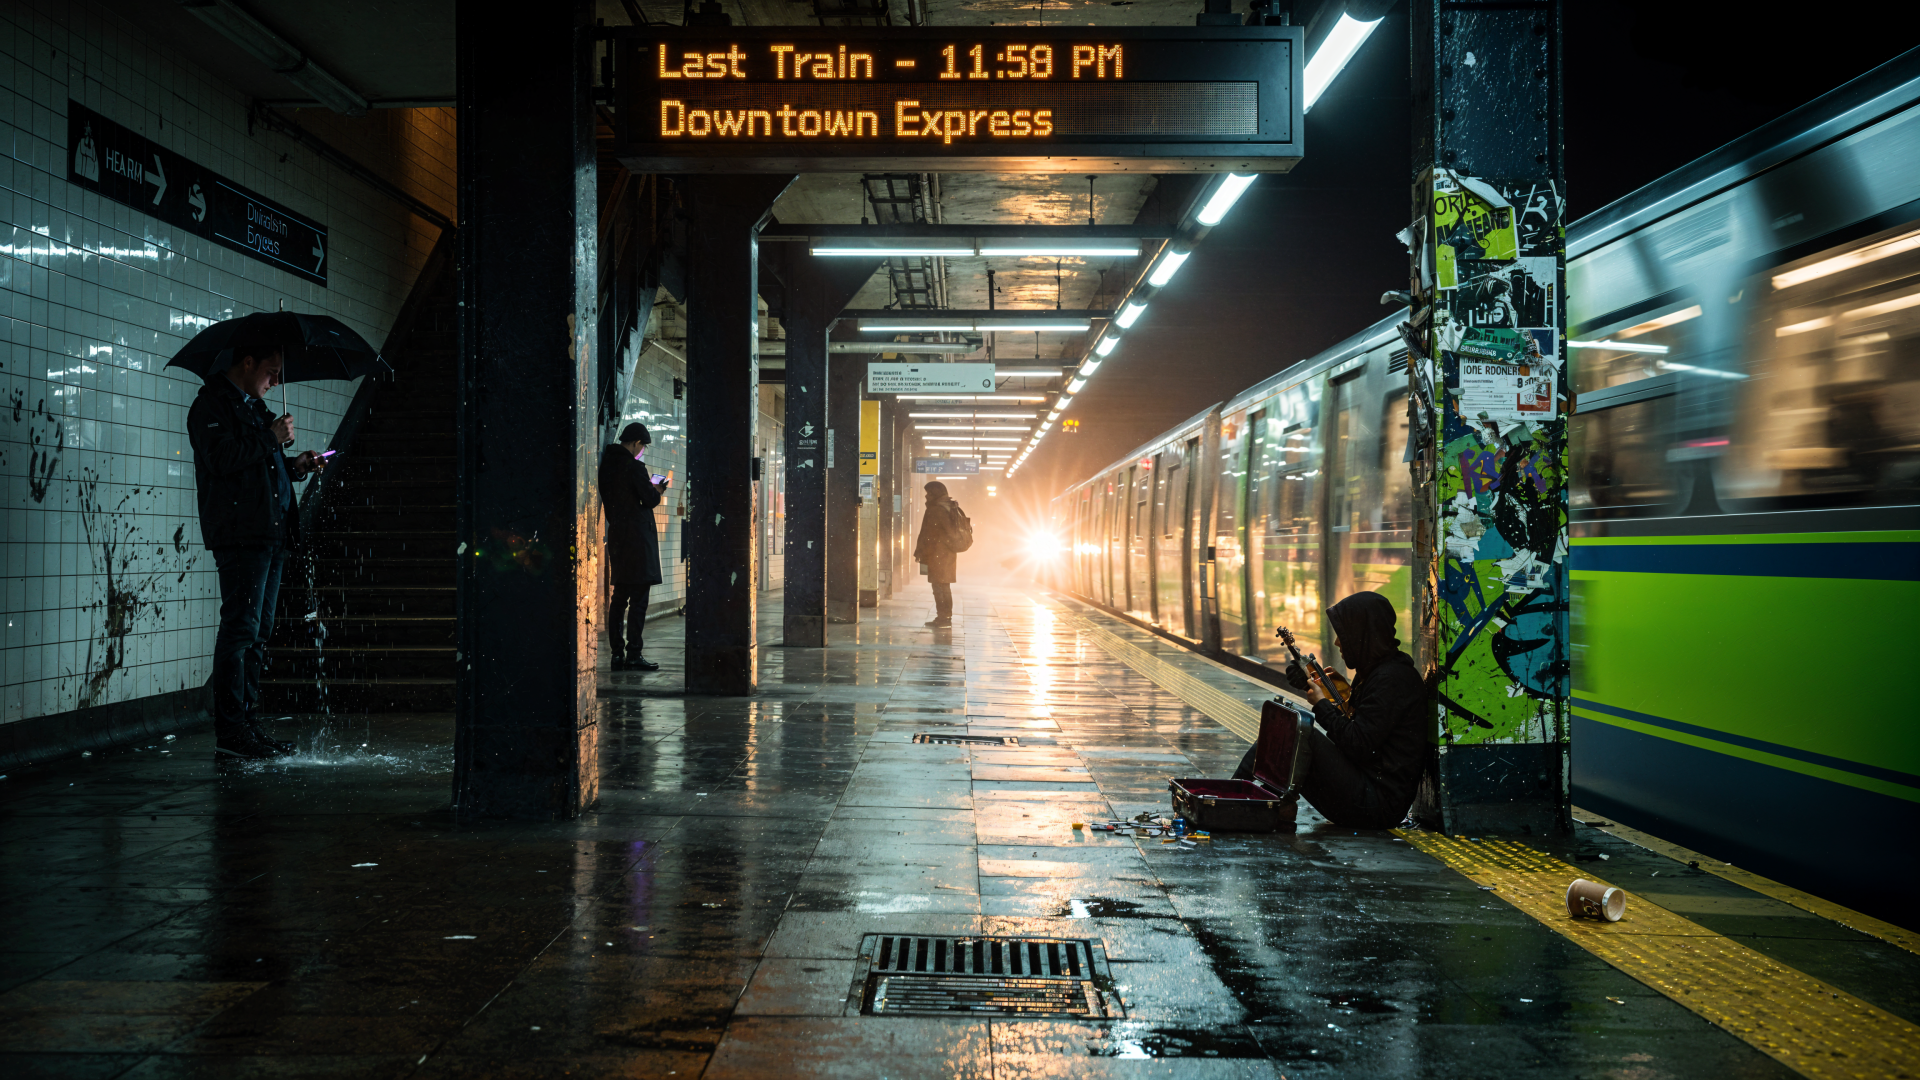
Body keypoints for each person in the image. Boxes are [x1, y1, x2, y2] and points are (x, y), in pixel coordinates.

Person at [187, 337, 320, 759]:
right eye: (272, 371)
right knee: (241, 630)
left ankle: (249, 724)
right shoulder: (211, 406)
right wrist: (269, 437)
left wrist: (296, 466)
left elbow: (262, 469)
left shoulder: (256, 410)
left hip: (272, 533)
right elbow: (222, 459)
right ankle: (231, 731)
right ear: (248, 362)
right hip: (242, 534)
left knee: (259, 633)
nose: (276, 380)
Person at [1237, 591, 1427, 828]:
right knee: (1286, 733)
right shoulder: (1375, 673)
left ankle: (1233, 799)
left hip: (1377, 804)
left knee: (1297, 733)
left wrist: (1321, 705)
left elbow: (1357, 745)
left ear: (1362, 635)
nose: (1338, 642)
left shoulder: (1392, 680)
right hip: (1366, 790)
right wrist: (1310, 684)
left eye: (1343, 635)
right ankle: (1252, 800)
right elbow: (1357, 728)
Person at [599, 422, 665, 671]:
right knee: (639, 599)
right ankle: (634, 654)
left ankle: (617, 654)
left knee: (619, 598)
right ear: (636, 443)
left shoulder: (607, 465)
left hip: (617, 537)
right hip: (638, 540)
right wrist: (656, 489)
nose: (642, 451)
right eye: (642, 446)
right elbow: (649, 499)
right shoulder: (634, 467)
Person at [911, 480, 963, 628]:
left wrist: (922, 550)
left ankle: (943, 618)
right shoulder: (947, 506)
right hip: (946, 554)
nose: (926, 496)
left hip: (938, 554)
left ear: (935, 493)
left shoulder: (936, 509)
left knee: (939, 587)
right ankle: (945, 617)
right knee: (943, 586)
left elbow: (929, 533)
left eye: (929, 493)